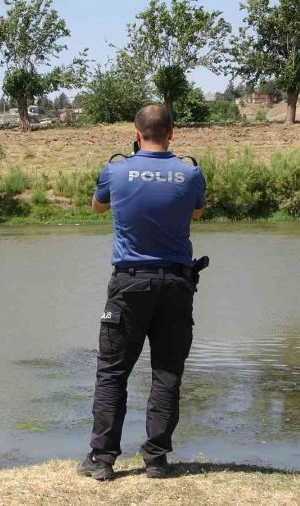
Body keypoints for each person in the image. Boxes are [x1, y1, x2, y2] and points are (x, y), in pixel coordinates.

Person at [76, 104, 206, 481]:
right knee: (167, 373)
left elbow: (97, 207)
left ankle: (102, 460)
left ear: (136, 134)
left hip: (129, 284)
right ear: (172, 133)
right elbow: (197, 213)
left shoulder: (115, 170)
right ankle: (156, 460)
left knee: (113, 372)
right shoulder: (189, 172)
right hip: (177, 285)